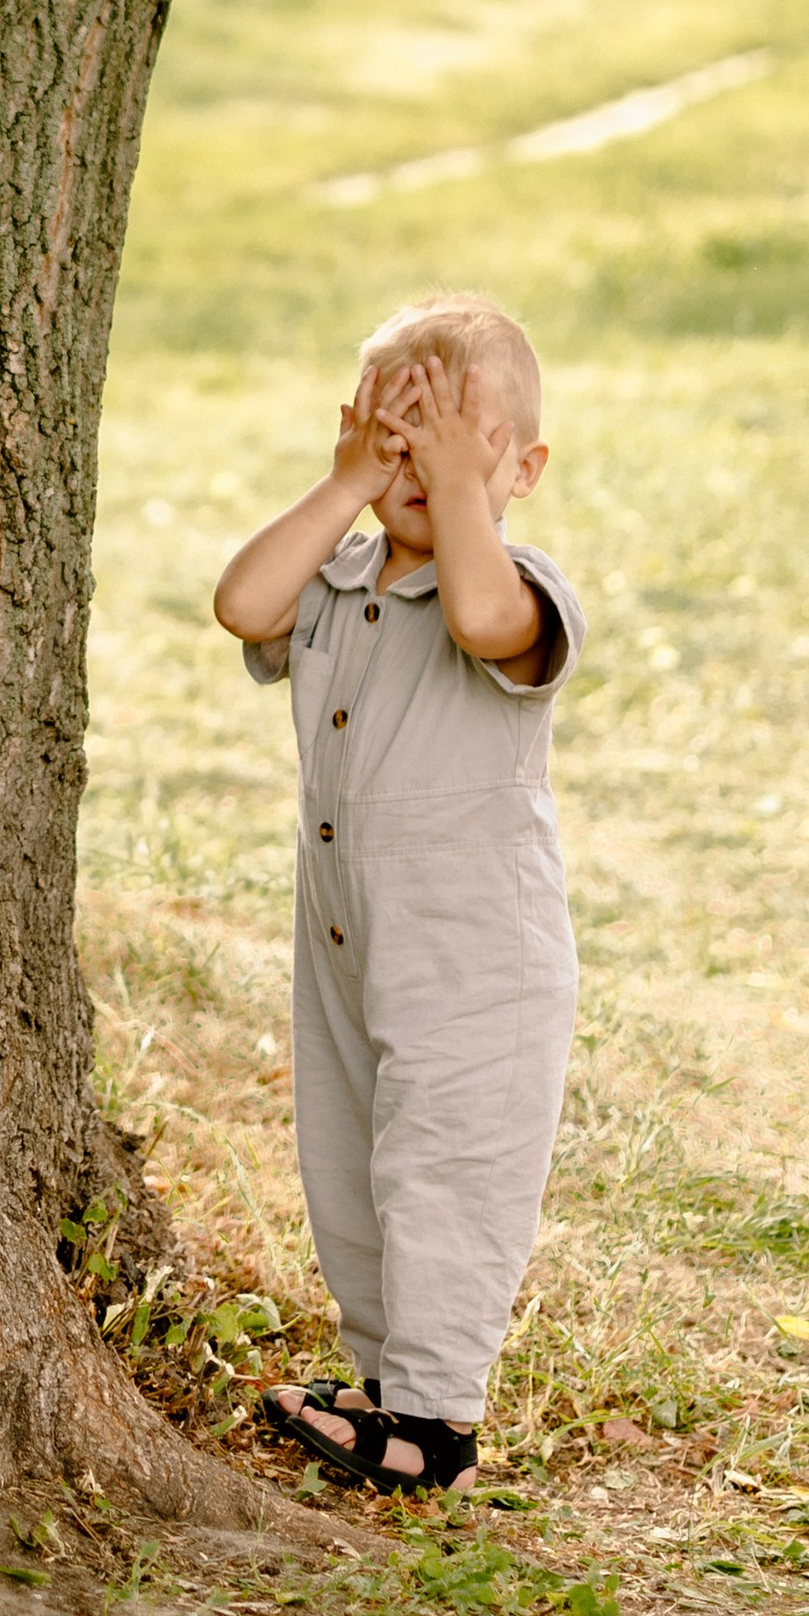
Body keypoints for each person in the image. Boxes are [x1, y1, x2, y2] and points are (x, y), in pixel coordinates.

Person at [210, 295, 583, 1497]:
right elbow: (242, 603)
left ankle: (436, 1418)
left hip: (477, 955)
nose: (420, 458)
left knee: (446, 1169)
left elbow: (482, 621)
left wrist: (457, 494)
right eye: (397, 428)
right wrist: (343, 482)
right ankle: (386, 1384)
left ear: (520, 465)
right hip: (350, 937)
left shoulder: (516, 584)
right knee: (353, 1158)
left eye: (453, 435)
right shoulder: (339, 575)